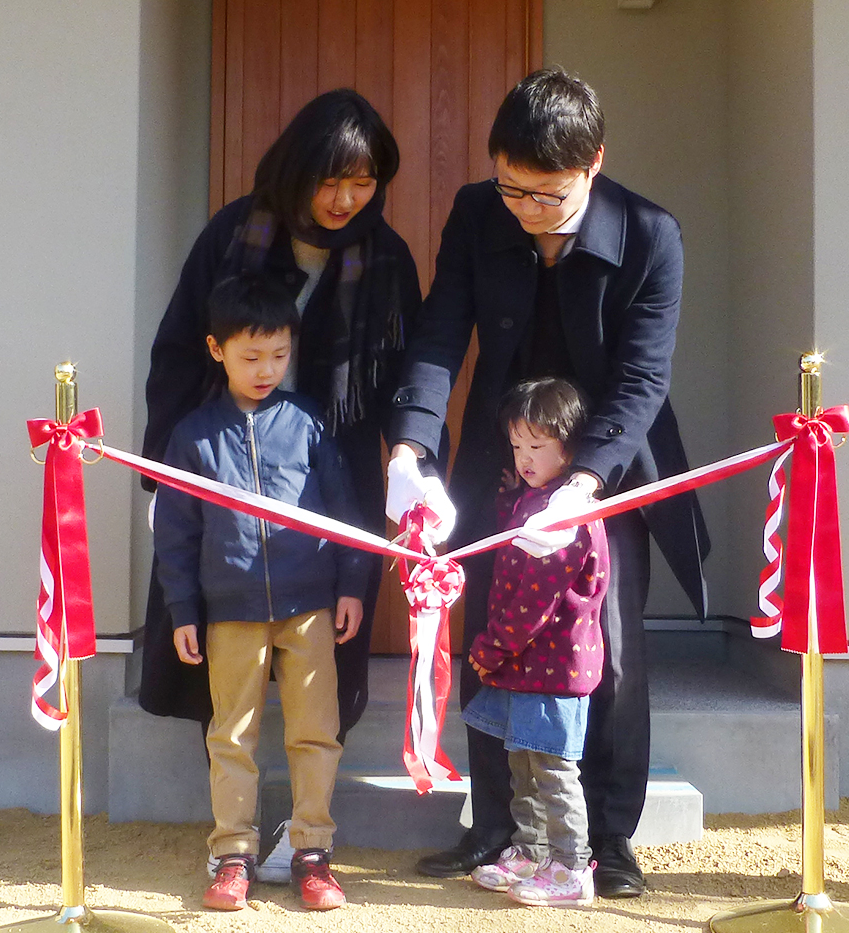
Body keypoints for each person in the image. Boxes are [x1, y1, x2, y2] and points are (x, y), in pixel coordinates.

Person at [385, 68, 711, 899]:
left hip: (607, 470)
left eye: (547, 195)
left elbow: (642, 381)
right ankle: (494, 828)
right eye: (511, 188)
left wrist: (585, 485)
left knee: (606, 651)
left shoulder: (649, 234)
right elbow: (437, 335)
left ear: (593, 162)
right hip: (503, 463)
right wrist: (408, 452)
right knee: (492, 637)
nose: (525, 208)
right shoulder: (474, 213)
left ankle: (603, 837)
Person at [140, 91, 421, 744]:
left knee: (325, 650)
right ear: (297, 169)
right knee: (218, 645)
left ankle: (309, 815)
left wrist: (413, 464)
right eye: (330, 181)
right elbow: (179, 353)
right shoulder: (235, 233)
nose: (346, 199)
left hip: (329, 475)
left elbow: (406, 374)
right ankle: (228, 809)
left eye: (362, 182)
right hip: (225, 464)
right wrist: (163, 474)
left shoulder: (385, 256)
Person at [154, 276, 371, 911]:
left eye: (278, 354)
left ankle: (313, 852)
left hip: (311, 606)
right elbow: (175, 531)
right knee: (231, 735)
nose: (266, 369)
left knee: (315, 731)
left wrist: (352, 584)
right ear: (216, 350)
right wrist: (183, 610)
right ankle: (232, 855)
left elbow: (344, 511)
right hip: (229, 610)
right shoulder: (193, 436)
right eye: (251, 356)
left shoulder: (308, 422)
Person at [464, 377, 610, 908]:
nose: (525, 458)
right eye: (517, 446)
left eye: (536, 447)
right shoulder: (534, 500)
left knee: (552, 768)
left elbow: (536, 601)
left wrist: (490, 648)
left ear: (569, 447)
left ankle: (572, 867)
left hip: (553, 668)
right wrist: (510, 497)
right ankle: (531, 851)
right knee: (522, 761)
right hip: (527, 668)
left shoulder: (568, 517)